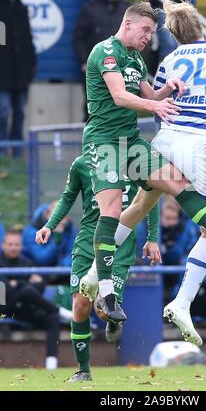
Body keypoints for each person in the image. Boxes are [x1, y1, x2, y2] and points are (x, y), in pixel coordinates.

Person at [77, 0, 206, 346]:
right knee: (114, 209)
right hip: (107, 140)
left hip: (143, 139)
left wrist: (167, 91)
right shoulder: (105, 50)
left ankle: (93, 275)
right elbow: (123, 97)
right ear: (128, 23)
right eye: (146, 31)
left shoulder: (156, 59)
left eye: (154, 32)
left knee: (154, 198)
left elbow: (153, 97)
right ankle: (137, 292)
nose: (149, 38)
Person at [35, 155, 160, 382]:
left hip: (119, 242)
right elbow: (67, 197)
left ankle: (111, 317)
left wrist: (152, 238)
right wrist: (49, 225)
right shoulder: (82, 164)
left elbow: (150, 197)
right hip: (87, 241)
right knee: (80, 304)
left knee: (102, 307)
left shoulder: (133, 159)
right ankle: (83, 370)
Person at [0, 230, 60, 370]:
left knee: (53, 317)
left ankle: (52, 364)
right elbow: (5, 291)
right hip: (5, 309)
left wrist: (18, 284)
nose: (13, 247)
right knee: (27, 291)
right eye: (10, 244)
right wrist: (25, 283)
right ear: (3, 245)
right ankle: (59, 309)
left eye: (16, 244)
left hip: (26, 308)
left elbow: (40, 285)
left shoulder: (26, 262)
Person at [73, 0, 128, 121]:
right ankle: (90, 142)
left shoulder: (127, 10)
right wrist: (84, 62)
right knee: (92, 106)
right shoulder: (89, 9)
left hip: (121, 67)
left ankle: (117, 143)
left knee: (121, 107)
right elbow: (78, 38)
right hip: (95, 68)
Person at [0, 0, 36, 156]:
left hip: (21, 75)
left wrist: (31, 68)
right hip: (2, 76)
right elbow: (2, 40)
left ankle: (16, 156)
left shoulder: (22, 8)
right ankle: (2, 154)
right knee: (3, 112)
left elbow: (28, 42)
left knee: (20, 114)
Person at [23, 201, 76, 267]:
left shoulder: (68, 228)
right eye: (56, 216)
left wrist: (63, 268)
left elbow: (71, 253)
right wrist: (56, 239)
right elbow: (42, 259)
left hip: (62, 272)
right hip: (35, 271)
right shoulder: (31, 231)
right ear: (47, 213)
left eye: (63, 216)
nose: (60, 220)